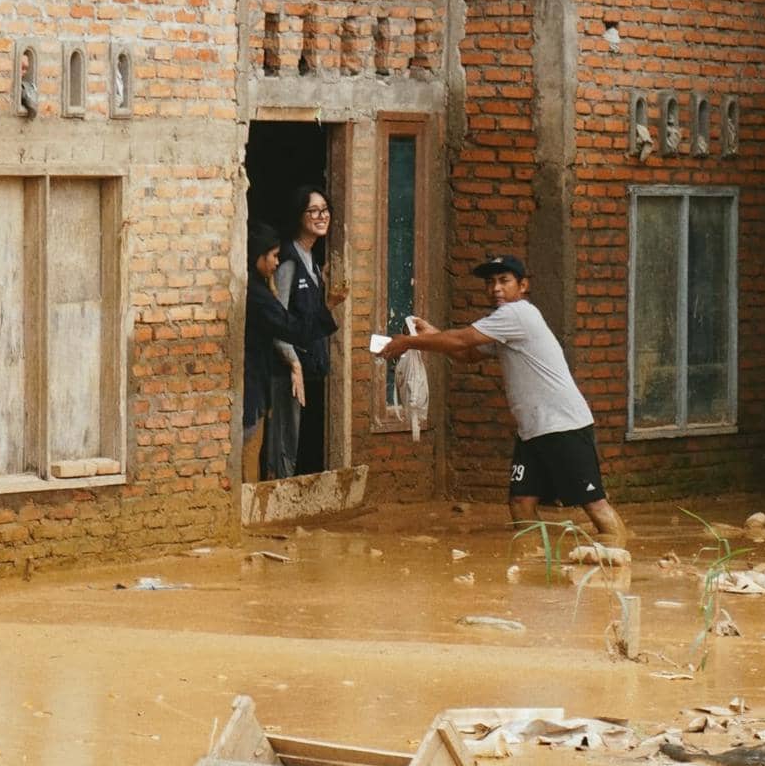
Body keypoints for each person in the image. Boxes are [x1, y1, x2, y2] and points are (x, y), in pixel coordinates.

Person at [380, 253, 626, 545]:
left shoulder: (517, 313)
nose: (495, 288)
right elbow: (468, 354)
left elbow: (462, 340)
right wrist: (432, 335)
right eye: (490, 282)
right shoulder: (503, 324)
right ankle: (535, 566)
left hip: (564, 427)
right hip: (533, 431)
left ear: (522, 286)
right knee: (521, 503)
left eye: (503, 281)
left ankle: (624, 559)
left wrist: (408, 342)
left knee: (594, 506)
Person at [243, 222, 338, 484]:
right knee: (248, 453)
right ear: (257, 257)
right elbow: (291, 329)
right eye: (273, 256)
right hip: (251, 384)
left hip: (257, 381)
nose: (276, 263)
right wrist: (328, 306)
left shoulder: (258, 288)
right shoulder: (257, 294)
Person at [274, 185, 347, 476]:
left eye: (325, 210)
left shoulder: (313, 261)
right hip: (289, 369)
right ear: (299, 216)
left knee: (305, 439)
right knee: (286, 440)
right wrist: (292, 362)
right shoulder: (289, 259)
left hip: (311, 364)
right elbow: (277, 320)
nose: (321, 216)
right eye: (313, 211)